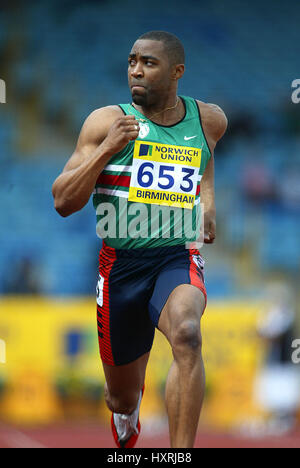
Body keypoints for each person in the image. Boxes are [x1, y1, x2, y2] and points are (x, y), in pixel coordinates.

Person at [52, 31, 227, 448]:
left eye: (148, 62)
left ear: (177, 72)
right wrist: (108, 147)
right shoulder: (104, 121)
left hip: (175, 256)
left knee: (187, 333)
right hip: (120, 266)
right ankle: (128, 415)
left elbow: (203, 159)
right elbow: (62, 201)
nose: (135, 70)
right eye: (131, 61)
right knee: (120, 395)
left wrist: (207, 204)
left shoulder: (209, 120)